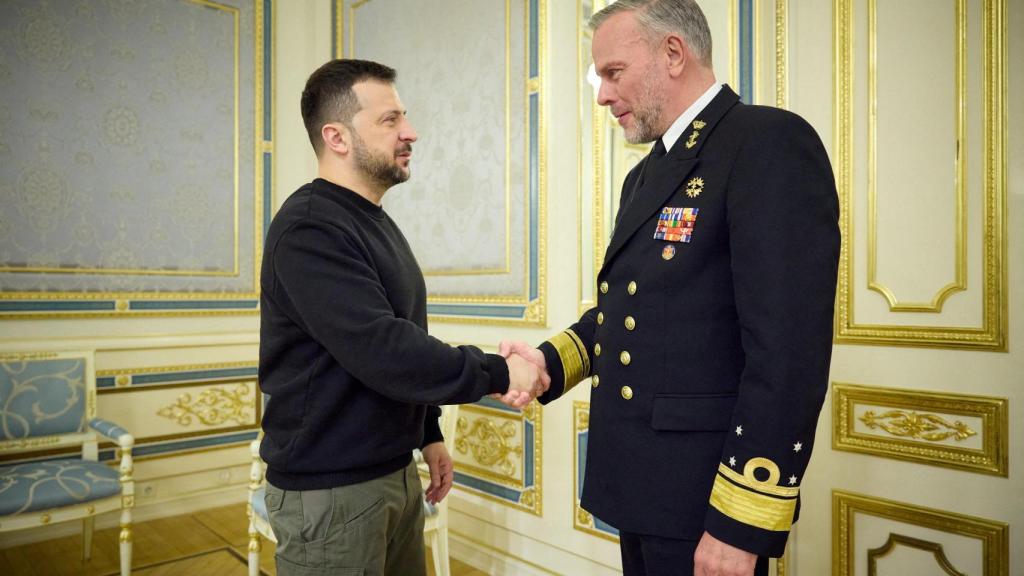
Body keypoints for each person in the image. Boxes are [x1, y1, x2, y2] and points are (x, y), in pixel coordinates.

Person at [500, 1, 840, 575]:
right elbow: (636, 310)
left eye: (612, 73)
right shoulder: (646, 173)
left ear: (673, 53)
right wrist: (549, 361)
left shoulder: (765, 143)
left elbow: (788, 354)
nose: (602, 95)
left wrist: (742, 522)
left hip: (706, 498)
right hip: (643, 484)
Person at [259, 58, 547, 576]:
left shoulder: (372, 221)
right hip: (332, 492)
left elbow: (404, 334)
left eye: (404, 118)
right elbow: (383, 349)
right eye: (389, 120)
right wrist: (501, 372)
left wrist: (427, 432)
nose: (410, 132)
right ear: (337, 137)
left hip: (392, 474)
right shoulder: (310, 228)